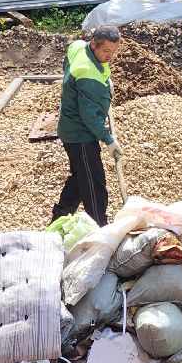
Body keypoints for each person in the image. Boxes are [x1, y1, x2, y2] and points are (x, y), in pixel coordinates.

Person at [52, 25, 122, 229]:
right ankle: (99, 227)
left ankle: (60, 216)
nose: (110, 56)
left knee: (80, 177)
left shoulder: (78, 47)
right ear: (94, 44)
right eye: (106, 51)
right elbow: (89, 116)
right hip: (80, 134)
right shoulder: (87, 74)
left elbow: (69, 56)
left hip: (69, 126)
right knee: (94, 182)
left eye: (113, 51)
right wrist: (108, 139)